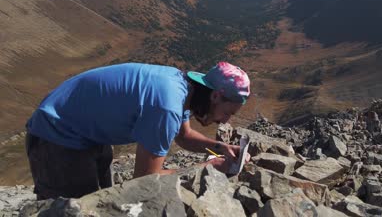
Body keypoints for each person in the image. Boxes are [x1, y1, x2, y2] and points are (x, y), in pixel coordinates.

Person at [25, 61, 250, 200]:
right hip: (57, 135)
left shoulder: (183, 89)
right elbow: (145, 178)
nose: (224, 121)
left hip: (87, 132)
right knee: (72, 208)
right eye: (227, 113)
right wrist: (206, 168)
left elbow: (184, 136)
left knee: (100, 201)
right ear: (215, 96)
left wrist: (220, 148)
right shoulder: (166, 105)